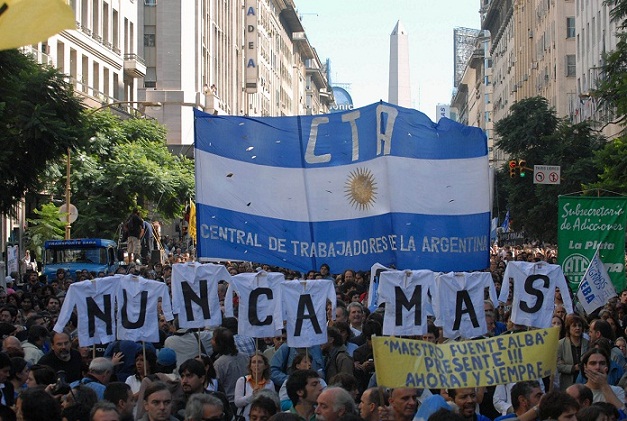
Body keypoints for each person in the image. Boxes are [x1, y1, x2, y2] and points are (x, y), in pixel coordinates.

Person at [212, 327, 250, 404]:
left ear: (219, 343)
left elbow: (216, 386)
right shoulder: (246, 357)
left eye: (213, 339)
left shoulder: (219, 364)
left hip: (230, 402)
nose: (211, 341)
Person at [234, 352, 275, 420]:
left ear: (265, 366)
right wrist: (251, 396)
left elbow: (273, 404)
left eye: (259, 362)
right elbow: (237, 403)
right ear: (250, 366)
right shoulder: (242, 381)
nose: (256, 365)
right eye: (253, 362)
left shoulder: (269, 383)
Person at [558, 314, 589, 391]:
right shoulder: (561, 344)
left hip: (584, 382)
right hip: (567, 383)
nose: (577, 328)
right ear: (568, 328)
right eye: (574, 326)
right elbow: (558, 365)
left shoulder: (588, 343)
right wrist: (572, 368)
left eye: (579, 326)